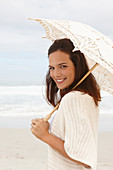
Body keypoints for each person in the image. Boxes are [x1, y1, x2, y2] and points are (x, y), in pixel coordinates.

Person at [31, 38, 101, 170]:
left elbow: (83, 158)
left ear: (77, 66)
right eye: (52, 68)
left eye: (63, 66)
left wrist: (45, 135)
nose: (56, 74)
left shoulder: (73, 98)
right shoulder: (86, 97)